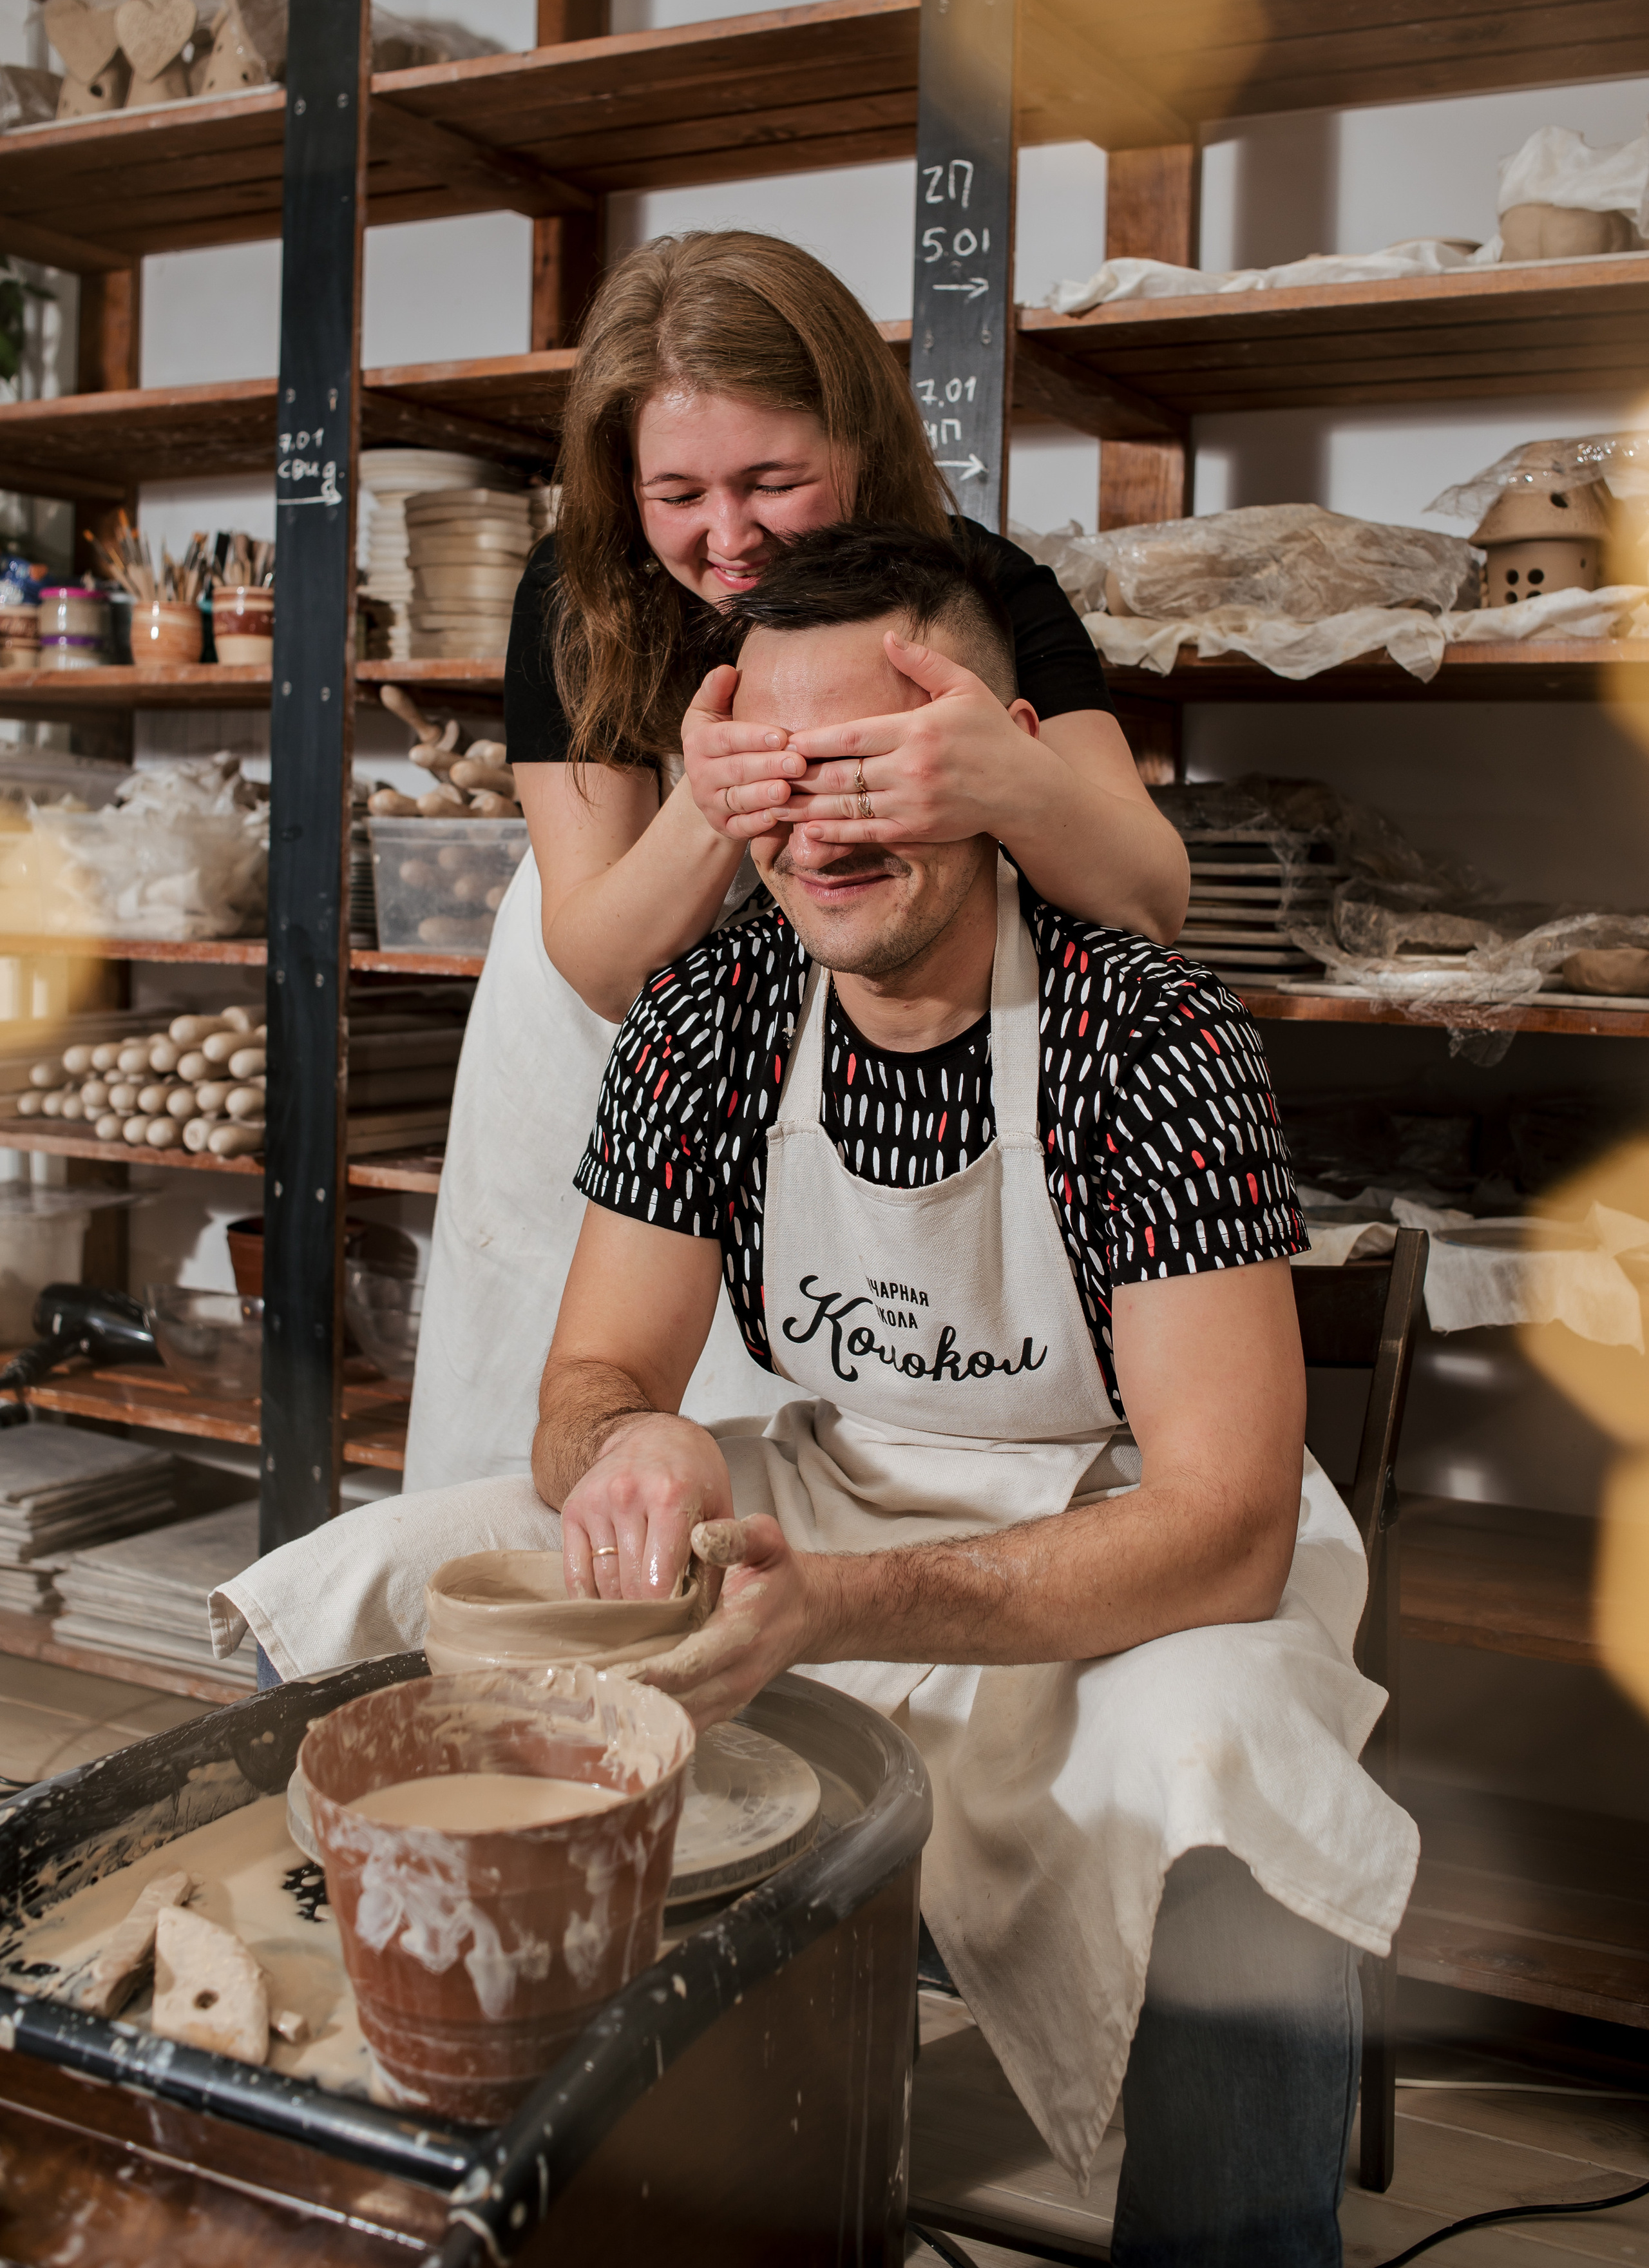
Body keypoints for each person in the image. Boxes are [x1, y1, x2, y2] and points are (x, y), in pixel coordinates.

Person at [220, 524, 1415, 2264]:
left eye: (873, 763)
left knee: (1229, 1765)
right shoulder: (710, 1011)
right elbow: (599, 1377)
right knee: (364, 1584)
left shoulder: (1144, 1029)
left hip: (1120, 1531)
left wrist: (838, 1605)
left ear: (986, 750)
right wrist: (626, 1444)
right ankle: (460, 2167)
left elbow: (1224, 1526)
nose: (825, 825)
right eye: (781, 773)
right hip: (833, 1489)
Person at [403, 229, 1188, 1490]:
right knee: (581, 1458)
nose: (729, 536)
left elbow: (1147, 900)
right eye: (677, 496)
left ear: (857, 439)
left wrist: (1008, 781)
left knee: (818, 1470)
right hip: (599, 1054)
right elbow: (601, 966)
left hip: (858, 1041)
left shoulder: (977, 587)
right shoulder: (578, 596)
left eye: (771, 479)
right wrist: (709, 807)